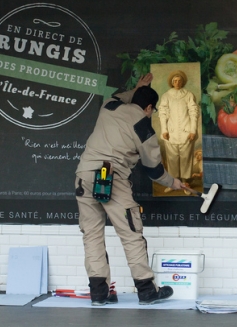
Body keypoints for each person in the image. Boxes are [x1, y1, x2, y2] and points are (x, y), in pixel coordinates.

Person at [75, 74, 184, 305]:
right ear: (149, 108)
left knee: (92, 234)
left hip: (83, 174)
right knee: (131, 232)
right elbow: (153, 169)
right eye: (152, 111)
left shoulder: (109, 106)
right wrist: (173, 182)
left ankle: (99, 294)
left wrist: (137, 88)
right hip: (109, 175)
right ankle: (146, 290)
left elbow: (116, 95)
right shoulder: (143, 126)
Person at [157, 70, 199, 190]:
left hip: (186, 132)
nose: (177, 83)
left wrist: (193, 131)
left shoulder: (189, 95)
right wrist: (164, 130)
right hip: (171, 133)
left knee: (186, 157)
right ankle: (173, 183)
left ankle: (185, 183)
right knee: (172, 158)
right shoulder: (166, 96)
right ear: (172, 82)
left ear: (183, 82)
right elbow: (162, 113)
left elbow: (193, 113)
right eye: (175, 81)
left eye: (180, 81)